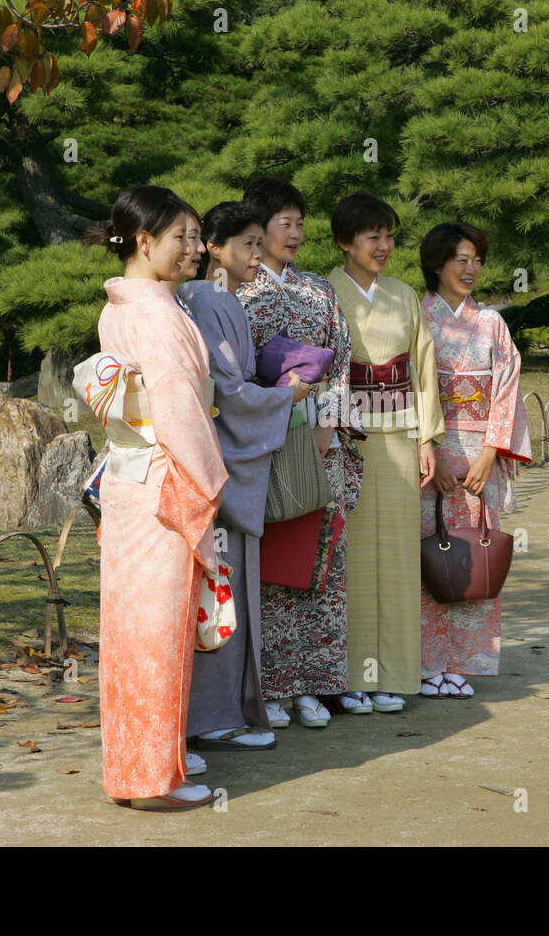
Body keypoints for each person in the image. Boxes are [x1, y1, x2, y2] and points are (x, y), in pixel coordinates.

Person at [84, 186, 228, 809]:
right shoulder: (158, 313)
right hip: (165, 485)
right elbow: (178, 412)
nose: (195, 250)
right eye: (183, 238)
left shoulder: (118, 305)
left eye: (197, 238)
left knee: (130, 633)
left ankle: (134, 769)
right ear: (145, 242)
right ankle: (150, 780)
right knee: (157, 635)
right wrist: (210, 484)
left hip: (127, 483)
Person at [178, 202, 309, 750]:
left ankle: (223, 711)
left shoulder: (221, 299)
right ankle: (211, 719)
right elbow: (227, 394)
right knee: (222, 594)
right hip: (223, 464)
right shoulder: (208, 300)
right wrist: (284, 396)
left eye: (262, 243)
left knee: (228, 593)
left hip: (233, 456)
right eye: (249, 244)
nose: (259, 254)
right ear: (215, 247)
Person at [238, 176, 364, 729]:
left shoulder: (317, 289)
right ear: (257, 230)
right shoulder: (237, 292)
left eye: (300, 222)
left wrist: (328, 422)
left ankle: (314, 682)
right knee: (267, 563)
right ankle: (266, 688)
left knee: (321, 561)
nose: (296, 233)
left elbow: (342, 360)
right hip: (263, 441)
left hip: (319, 438)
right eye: (284, 222)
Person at [327, 191, 445, 713]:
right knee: (349, 559)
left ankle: (394, 675)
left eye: (388, 235)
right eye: (371, 236)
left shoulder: (403, 295)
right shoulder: (324, 292)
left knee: (397, 559)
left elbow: (422, 364)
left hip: (398, 436)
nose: (384, 246)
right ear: (344, 242)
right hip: (347, 440)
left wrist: (426, 438)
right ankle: (351, 676)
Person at [418, 222, 532, 698]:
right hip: (431, 457)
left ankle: (463, 662)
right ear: (437, 263)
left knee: (474, 555)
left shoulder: (492, 324)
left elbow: (506, 389)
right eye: (460, 259)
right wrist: (429, 448)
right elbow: (411, 388)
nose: (471, 269)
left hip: (481, 455)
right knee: (429, 555)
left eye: (477, 260)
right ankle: (425, 664)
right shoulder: (418, 318)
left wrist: (490, 452)